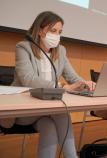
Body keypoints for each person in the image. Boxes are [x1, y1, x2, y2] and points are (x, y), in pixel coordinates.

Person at [1, 11, 94, 158]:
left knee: (49, 127)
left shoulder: (60, 51)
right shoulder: (24, 47)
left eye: (59, 32)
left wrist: (85, 84)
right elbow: (28, 79)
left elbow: (72, 78)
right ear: (39, 30)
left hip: (46, 111)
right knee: (61, 113)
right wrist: (61, 87)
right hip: (23, 110)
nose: (57, 35)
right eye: (53, 31)